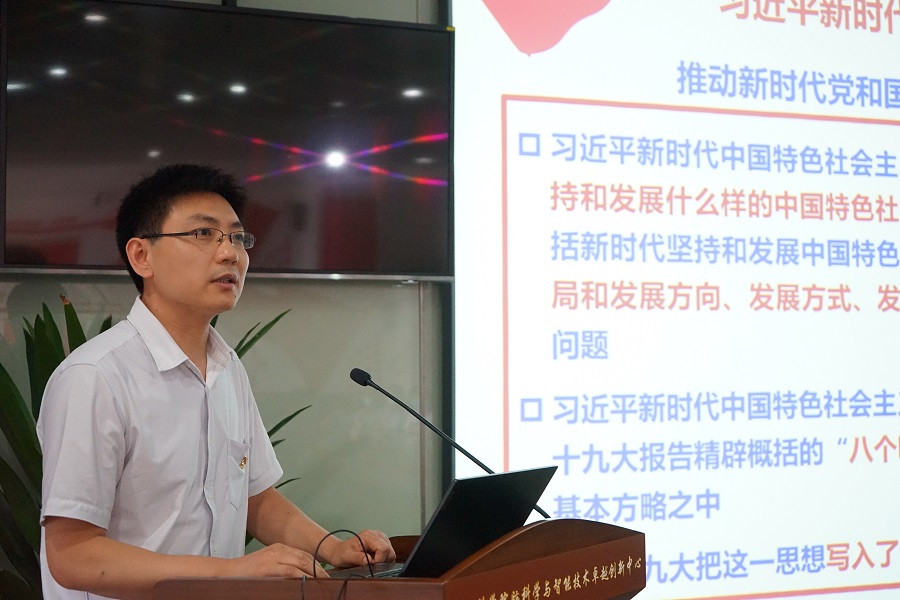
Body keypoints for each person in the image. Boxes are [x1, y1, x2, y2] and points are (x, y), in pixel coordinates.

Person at [37, 164, 395, 600]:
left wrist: (333, 549)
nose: (230, 254)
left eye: (238, 238)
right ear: (141, 256)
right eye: (203, 234)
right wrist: (230, 573)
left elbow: (257, 499)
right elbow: (72, 554)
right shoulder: (95, 377)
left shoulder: (227, 368)